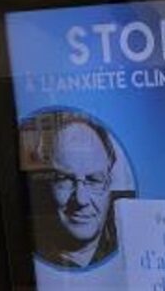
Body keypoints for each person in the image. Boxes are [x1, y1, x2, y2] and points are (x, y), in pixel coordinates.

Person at [29, 115, 120, 269]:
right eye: (65, 179)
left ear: (109, 184)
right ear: (48, 182)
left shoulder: (130, 239)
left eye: (94, 180)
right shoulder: (32, 254)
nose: (81, 199)